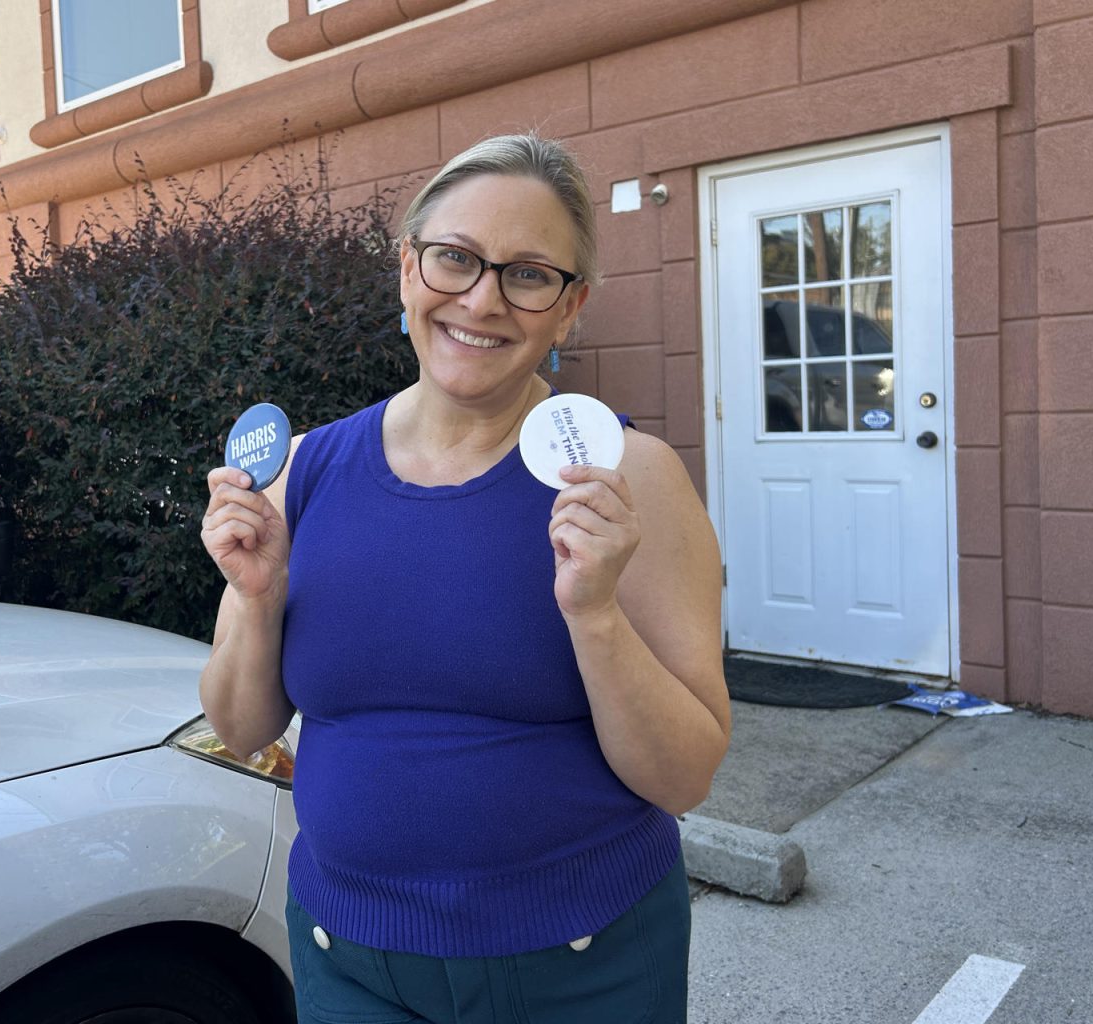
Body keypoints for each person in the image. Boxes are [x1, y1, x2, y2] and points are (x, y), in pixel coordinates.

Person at [198, 133, 729, 1024]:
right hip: (348, 958)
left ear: (570, 308)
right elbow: (243, 727)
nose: (482, 298)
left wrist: (594, 614)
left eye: (528, 274)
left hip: (584, 964)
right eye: (455, 259)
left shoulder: (628, 480)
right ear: (408, 270)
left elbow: (683, 778)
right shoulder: (302, 470)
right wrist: (257, 600)